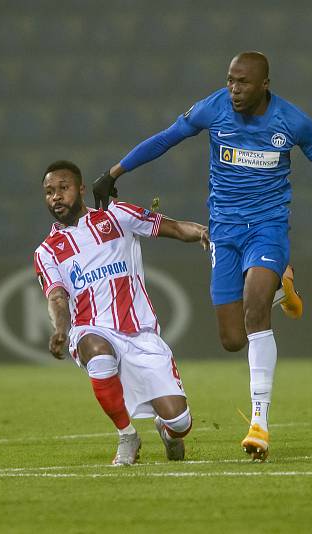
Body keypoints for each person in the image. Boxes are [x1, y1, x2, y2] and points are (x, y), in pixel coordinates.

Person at [92, 51, 312, 460]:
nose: (234, 89)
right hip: (224, 235)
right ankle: (282, 285)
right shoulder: (214, 107)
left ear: (265, 84)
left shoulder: (292, 121)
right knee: (232, 340)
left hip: (267, 229)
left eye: (243, 82)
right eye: (230, 80)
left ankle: (259, 423)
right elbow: (166, 138)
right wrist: (114, 172)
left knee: (254, 311)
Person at [36, 160, 209, 465]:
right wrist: (61, 330)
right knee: (97, 351)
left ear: (81, 189)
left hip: (140, 333)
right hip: (91, 328)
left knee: (180, 422)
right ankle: (127, 435)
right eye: (49, 192)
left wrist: (206, 233)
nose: (56, 197)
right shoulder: (47, 250)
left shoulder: (117, 216)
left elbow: (176, 228)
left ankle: (168, 433)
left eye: (63, 188)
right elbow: (57, 297)